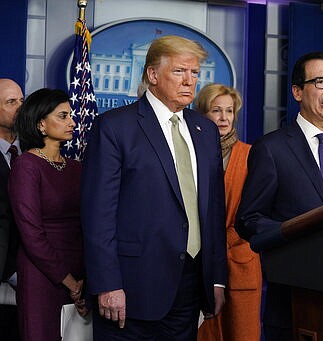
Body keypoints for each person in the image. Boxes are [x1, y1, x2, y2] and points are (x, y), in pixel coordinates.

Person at [81, 35, 227, 340]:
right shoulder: (115, 127)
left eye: (195, 73)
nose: (189, 81)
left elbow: (213, 212)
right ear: (152, 75)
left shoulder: (206, 131)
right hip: (131, 288)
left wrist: (216, 279)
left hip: (190, 286)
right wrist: (107, 283)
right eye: (179, 71)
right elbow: (98, 215)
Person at [235, 51, 323, 341]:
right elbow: (248, 219)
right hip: (295, 298)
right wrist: (294, 234)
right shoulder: (271, 148)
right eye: (320, 81)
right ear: (298, 91)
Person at [8, 88, 86, 341]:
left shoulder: (76, 167)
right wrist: (70, 282)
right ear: (41, 123)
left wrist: (84, 280)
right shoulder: (26, 166)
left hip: (81, 274)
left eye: (71, 115)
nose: (72, 122)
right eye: (63, 116)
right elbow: (31, 234)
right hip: (43, 275)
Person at [195, 84, 262, 341]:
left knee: (242, 333)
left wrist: (222, 241)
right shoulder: (192, 153)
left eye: (229, 111)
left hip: (240, 258)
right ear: (202, 114)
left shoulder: (251, 155)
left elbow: (257, 210)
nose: (224, 118)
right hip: (200, 261)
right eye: (216, 110)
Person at [0, 78, 23, 341]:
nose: (19, 108)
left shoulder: (34, 151)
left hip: (31, 277)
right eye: (10, 102)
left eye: (21, 101)